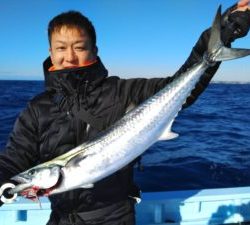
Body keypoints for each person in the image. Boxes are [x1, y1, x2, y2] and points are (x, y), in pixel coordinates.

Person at [0, 1, 250, 225]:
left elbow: (177, 87)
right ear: (51, 53)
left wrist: (224, 32)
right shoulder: (37, 108)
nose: (70, 57)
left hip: (116, 217)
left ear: (94, 50)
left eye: (79, 47)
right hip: (61, 218)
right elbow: (14, 159)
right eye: (61, 48)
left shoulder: (123, 92)